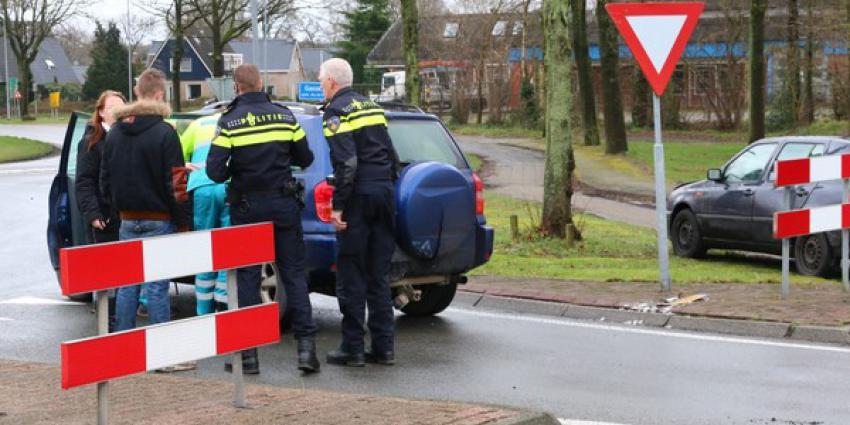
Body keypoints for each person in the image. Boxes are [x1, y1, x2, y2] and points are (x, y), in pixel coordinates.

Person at [207, 64, 319, 374]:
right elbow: (306, 158)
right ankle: (307, 351)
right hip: (283, 204)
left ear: (237, 87)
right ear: (261, 83)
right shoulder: (285, 116)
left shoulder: (229, 121)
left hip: (247, 207)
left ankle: (248, 356)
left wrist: (238, 171)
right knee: (295, 275)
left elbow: (215, 171)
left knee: (247, 278)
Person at [319, 58, 400, 367]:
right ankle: (384, 348)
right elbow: (391, 155)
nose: (322, 85)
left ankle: (352, 348)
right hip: (383, 193)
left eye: (322, 80)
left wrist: (338, 205)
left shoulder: (336, 112)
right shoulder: (372, 107)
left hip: (358, 197)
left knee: (351, 274)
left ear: (331, 81)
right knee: (379, 275)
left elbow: (347, 163)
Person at [100, 68, 190, 339]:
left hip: (127, 218)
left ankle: (123, 343)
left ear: (137, 93)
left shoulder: (115, 132)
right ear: (160, 94)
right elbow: (176, 183)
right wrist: (183, 220)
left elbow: (105, 179)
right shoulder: (165, 132)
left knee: (127, 285)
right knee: (157, 286)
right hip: (160, 219)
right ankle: (161, 348)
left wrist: (116, 208)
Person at [180, 113, 230, 315]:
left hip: (201, 187)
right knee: (227, 246)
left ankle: (203, 310)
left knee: (205, 248)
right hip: (227, 186)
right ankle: (223, 304)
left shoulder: (197, 124)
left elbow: (178, 155)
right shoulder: (234, 121)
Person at [76, 90, 126, 244]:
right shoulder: (91, 142)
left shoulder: (129, 139)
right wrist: (93, 214)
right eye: (112, 107)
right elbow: (84, 181)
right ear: (101, 112)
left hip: (127, 217)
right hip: (104, 220)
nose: (118, 111)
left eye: (121, 107)